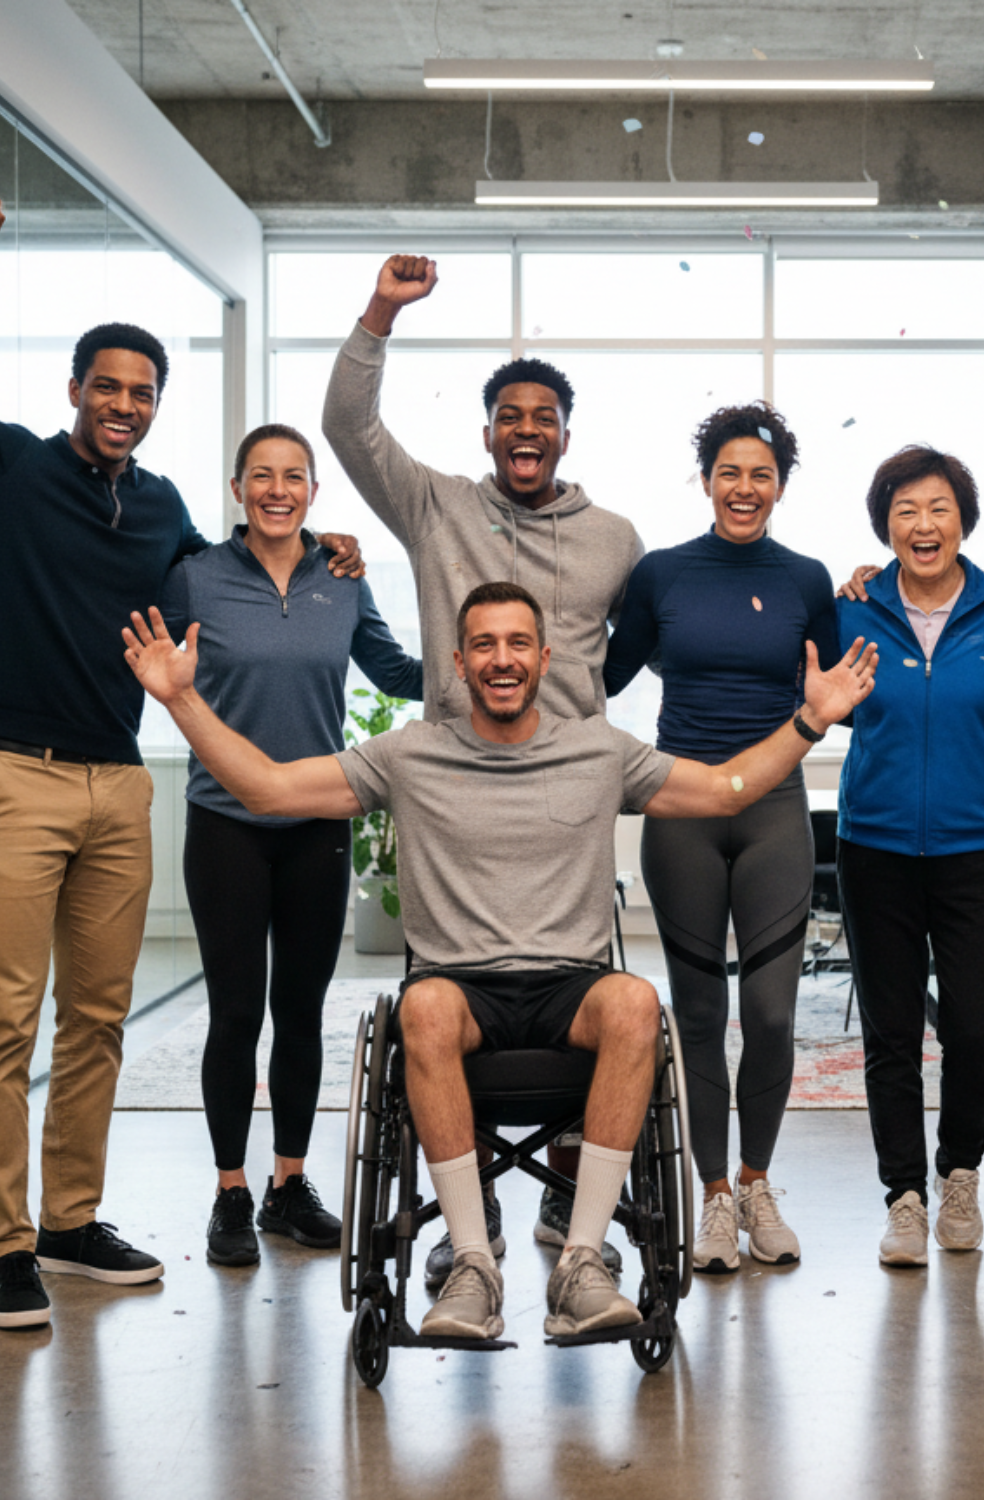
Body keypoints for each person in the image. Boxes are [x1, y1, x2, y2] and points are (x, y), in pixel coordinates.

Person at [123, 581, 876, 1339]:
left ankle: (581, 1261)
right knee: (422, 1006)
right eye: (483, 645)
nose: (501, 659)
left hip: (570, 989)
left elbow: (722, 790)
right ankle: (473, 1266)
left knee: (636, 1002)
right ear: (458, 663)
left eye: (518, 643)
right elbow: (268, 788)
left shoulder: (599, 750)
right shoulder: (409, 754)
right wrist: (181, 700)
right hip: (458, 991)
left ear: (544, 659)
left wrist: (811, 719)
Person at [0, 188, 362, 1331]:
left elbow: (236, 569)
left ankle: (69, 1221)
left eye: (143, 393)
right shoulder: (7, 469)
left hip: (120, 780)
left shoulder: (161, 510)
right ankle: (3, 1245)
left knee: (98, 1015)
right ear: (74, 391)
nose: (125, 406)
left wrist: (319, 544)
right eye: (108, 387)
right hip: (12, 769)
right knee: (3, 1021)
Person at [322, 253, 644, 1278]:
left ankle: (566, 1205)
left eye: (544, 416)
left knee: (591, 1000)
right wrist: (382, 311)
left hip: (564, 806)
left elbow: (645, 639)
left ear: (566, 433)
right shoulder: (435, 508)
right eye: (510, 415)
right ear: (489, 431)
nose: (526, 429)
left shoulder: (614, 539)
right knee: (443, 1009)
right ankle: (475, 1221)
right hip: (456, 794)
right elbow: (348, 428)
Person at [159, 424, 423, 1268]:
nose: (279, 490)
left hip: (318, 821)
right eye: (262, 476)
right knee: (236, 1013)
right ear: (238, 488)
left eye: (295, 476)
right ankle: (231, 1192)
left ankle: (288, 1185)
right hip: (225, 825)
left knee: (301, 1012)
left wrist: (482, 669)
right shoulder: (195, 576)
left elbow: (394, 672)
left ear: (313, 490)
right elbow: (145, 661)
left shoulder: (341, 578)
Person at [604, 402, 838, 1273]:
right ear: (706, 481)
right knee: (699, 1013)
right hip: (682, 811)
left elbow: (839, 687)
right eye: (729, 472)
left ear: (781, 486)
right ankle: (711, 1195)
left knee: (771, 1014)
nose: (745, 488)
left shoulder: (806, 578)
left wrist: (873, 593)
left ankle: (756, 1182)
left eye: (761, 475)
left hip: (775, 809)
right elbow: (602, 675)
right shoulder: (662, 573)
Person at [835, 446, 984, 1267]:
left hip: (975, 849)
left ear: (964, 521)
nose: (923, 525)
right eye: (906, 511)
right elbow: (808, 700)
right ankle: (904, 1197)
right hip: (874, 848)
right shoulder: (851, 609)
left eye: (939, 508)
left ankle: (959, 1174)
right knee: (889, 1034)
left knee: (975, 1028)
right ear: (885, 526)